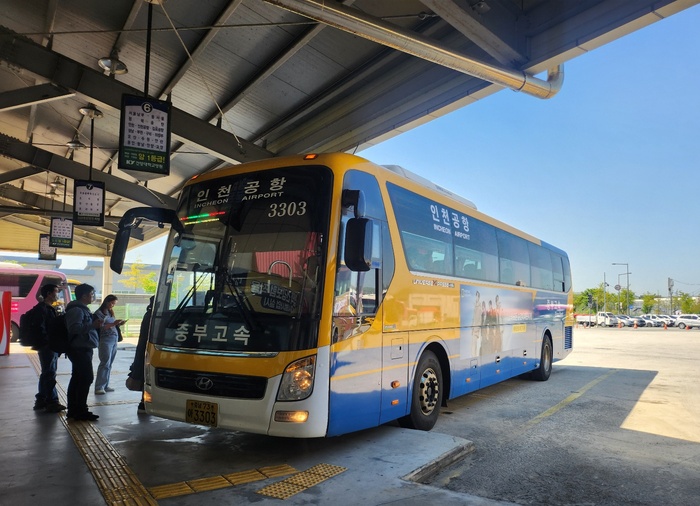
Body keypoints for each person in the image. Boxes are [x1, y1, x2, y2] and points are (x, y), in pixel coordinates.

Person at [64, 284, 102, 421]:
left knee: (78, 378)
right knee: (86, 378)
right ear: (84, 296)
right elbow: (74, 329)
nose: (93, 296)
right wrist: (93, 325)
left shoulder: (82, 309)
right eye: (92, 294)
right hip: (79, 349)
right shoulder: (77, 310)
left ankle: (74, 410)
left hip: (82, 348)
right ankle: (80, 410)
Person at [32, 283, 66, 413]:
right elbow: (41, 328)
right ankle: (52, 402)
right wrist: (48, 342)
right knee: (50, 373)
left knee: (46, 373)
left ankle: (41, 399)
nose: (58, 294)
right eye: (56, 292)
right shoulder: (43, 309)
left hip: (48, 345)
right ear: (49, 294)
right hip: (48, 346)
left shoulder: (47, 308)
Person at [93, 294, 124, 395]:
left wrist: (118, 324)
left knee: (109, 364)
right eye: (112, 303)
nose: (112, 305)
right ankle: (99, 386)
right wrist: (114, 323)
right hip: (105, 340)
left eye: (114, 304)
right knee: (105, 363)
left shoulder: (110, 313)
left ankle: (105, 385)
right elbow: (101, 326)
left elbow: (110, 324)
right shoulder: (99, 313)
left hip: (113, 339)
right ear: (106, 302)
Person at [127, 296, 153, 413]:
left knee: (146, 375)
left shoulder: (148, 314)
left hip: (144, 350)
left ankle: (143, 402)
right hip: (148, 351)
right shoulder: (153, 316)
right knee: (147, 377)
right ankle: (144, 402)